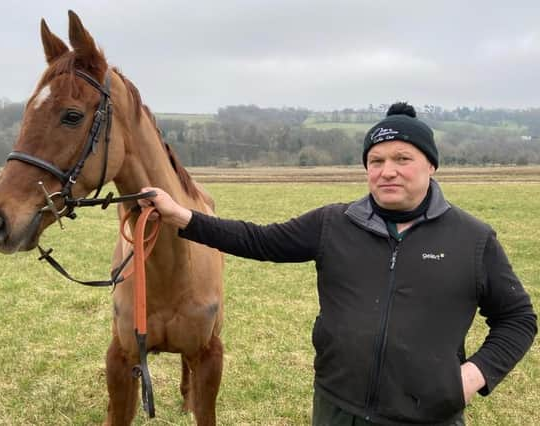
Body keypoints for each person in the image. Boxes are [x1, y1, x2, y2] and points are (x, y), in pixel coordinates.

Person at [138, 102, 537, 425]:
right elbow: (258, 239)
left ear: (431, 165)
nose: (388, 171)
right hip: (336, 408)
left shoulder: (472, 238)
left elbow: (518, 318)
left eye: (403, 158)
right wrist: (181, 216)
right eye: (376, 160)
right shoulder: (334, 224)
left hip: (429, 415)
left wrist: (471, 377)